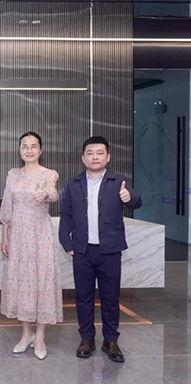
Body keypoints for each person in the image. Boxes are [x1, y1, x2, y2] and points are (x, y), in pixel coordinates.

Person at [59, 136, 142, 363]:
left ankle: (111, 341)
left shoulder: (118, 181)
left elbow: (137, 202)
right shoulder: (73, 183)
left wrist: (129, 197)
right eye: (90, 153)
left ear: (108, 157)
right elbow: (65, 214)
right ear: (83, 157)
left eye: (99, 153)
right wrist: (66, 242)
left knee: (110, 298)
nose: (94, 157)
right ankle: (87, 339)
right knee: (83, 297)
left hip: (110, 251)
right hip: (83, 250)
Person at [0, 131, 62, 361]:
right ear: (20, 150)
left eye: (33, 146)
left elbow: (53, 193)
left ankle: (41, 336)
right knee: (22, 283)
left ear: (40, 150)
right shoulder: (13, 174)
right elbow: (7, 207)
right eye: (24, 146)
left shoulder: (49, 174)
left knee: (42, 282)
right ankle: (26, 334)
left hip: (40, 236)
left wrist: (44, 193)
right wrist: (5, 236)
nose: (29, 150)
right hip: (18, 236)